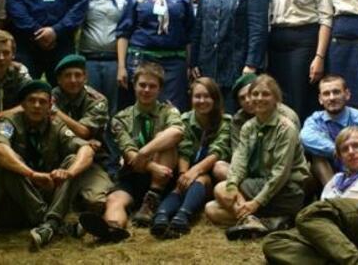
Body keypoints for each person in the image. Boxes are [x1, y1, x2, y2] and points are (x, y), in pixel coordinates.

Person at [0, 80, 104, 249]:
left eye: (42, 102)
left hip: (42, 194)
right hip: (12, 205)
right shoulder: (9, 122)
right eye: (31, 100)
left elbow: (86, 148)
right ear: (23, 104)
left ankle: (48, 226)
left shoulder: (56, 125)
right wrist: (31, 174)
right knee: (10, 164)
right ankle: (53, 223)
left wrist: (69, 173)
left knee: (73, 160)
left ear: (50, 105)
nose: (37, 106)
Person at [78, 62, 184, 242]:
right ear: (134, 86)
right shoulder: (120, 118)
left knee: (166, 138)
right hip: (135, 174)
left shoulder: (169, 111)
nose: (146, 90)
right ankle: (112, 228)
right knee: (115, 200)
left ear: (160, 89)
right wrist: (149, 164)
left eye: (152, 86)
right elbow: (130, 155)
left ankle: (152, 199)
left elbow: (177, 132)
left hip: (164, 176)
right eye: (142, 85)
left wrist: (144, 152)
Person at [263, 127, 358, 264]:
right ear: (340, 156)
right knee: (274, 242)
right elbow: (319, 216)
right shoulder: (334, 181)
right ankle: (337, 260)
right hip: (333, 229)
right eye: (345, 149)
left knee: (312, 213)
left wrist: (340, 203)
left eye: (356, 146)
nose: (351, 152)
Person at [205, 75, 309, 240]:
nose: (259, 98)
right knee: (211, 209)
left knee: (219, 189)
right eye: (255, 94)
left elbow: (280, 173)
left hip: (286, 190)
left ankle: (257, 218)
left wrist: (256, 203)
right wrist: (233, 187)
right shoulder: (249, 127)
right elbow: (239, 161)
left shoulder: (286, 128)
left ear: (276, 99)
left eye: (265, 94)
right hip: (258, 184)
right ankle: (266, 222)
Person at [191, 0, 269, 112]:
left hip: (238, 66)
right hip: (208, 65)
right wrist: (193, 61)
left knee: (234, 116)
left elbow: (258, 30)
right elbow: (199, 25)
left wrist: (251, 65)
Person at [115, 0, 193, 111]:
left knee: (173, 111)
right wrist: (121, 66)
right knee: (142, 109)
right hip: (142, 59)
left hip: (174, 61)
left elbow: (189, 33)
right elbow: (123, 32)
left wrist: (189, 65)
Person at [150, 77, 231, 239]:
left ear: (215, 99)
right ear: (191, 98)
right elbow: (184, 149)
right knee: (182, 183)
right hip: (185, 170)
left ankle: (182, 215)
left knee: (201, 178)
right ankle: (161, 215)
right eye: (197, 96)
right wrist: (183, 174)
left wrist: (193, 172)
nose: (202, 100)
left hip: (210, 175)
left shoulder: (226, 121)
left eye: (207, 96)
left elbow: (217, 152)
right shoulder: (185, 119)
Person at [79, 0, 134, 116]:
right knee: (92, 108)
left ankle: (114, 143)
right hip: (90, 58)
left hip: (117, 61)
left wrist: (122, 65)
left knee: (115, 109)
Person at [212, 73, 300, 182]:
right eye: (242, 98)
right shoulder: (238, 120)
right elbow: (238, 156)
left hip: (280, 172)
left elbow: (288, 160)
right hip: (250, 171)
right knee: (219, 168)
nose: (248, 100)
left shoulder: (287, 116)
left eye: (250, 94)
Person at [51, 54, 116, 183]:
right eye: (68, 75)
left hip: (94, 158)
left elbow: (84, 132)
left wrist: (55, 111)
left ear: (85, 77)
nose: (73, 80)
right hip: (58, 153)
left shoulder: (97, 100)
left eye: (78, 75)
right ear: (59, 79)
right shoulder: (51, 96)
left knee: (97, 198)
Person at [300, 74, 358, 185]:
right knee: (317, 156)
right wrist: (337, 150)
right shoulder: (315, 120)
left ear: (347, 94)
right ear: (320, 99)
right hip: (329, 174)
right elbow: (305, 137)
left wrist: (345, 151)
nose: (332, 98)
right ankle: (333, 196)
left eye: (336, 92)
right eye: (326, 94)